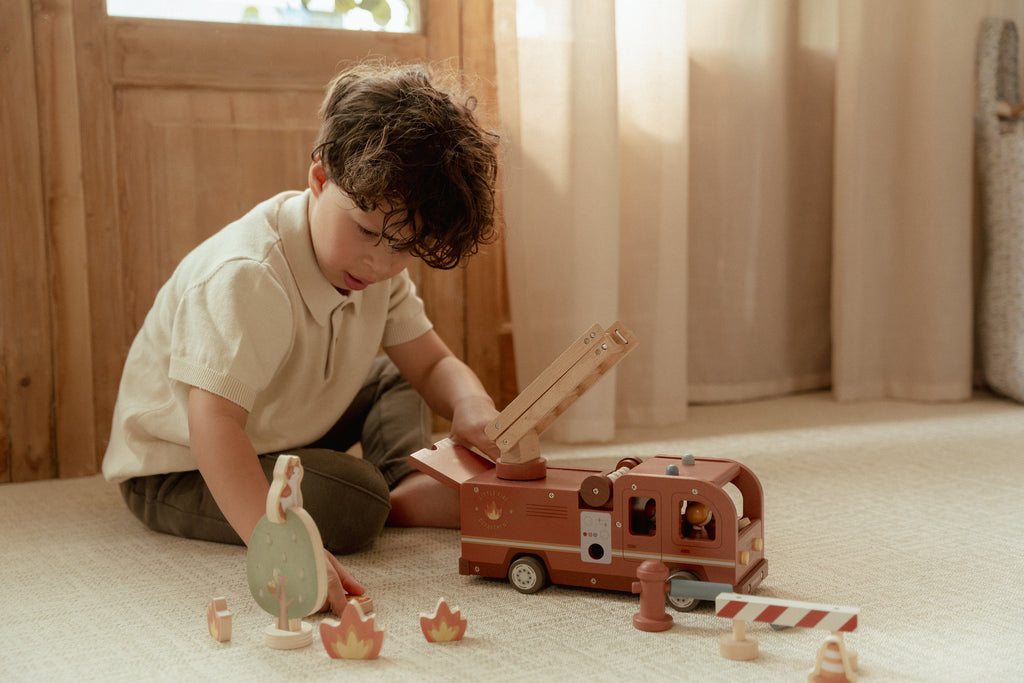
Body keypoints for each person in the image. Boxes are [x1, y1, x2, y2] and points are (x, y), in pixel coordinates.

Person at [101, 61, 502, 615]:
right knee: (354, 501)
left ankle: (403, 480)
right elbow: (213, 424)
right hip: (185, 466)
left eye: (404, 247)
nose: (381, 263)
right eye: (365, 231)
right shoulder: (248, 274)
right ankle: (392, 498)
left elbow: (431, 367)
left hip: (284, 423)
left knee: (394, 377)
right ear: (320, 178)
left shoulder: (376, 269)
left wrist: (472, 403)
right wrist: (281, 545)